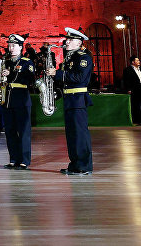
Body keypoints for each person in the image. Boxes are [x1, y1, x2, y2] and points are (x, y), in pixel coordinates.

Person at [48, 27, 94, 175]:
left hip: (78, 100)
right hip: (70, 100)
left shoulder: (83, 57)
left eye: (70, 40)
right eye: (67, 39)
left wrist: (58, 73)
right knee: (72, 135)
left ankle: (84, 166)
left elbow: (79, 78)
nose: (66, 42)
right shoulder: (70, 57)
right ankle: (75, 164)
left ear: (79, 42)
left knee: (80, 135)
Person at [0, 34, 35, 170]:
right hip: (8, 100)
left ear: (20, 47)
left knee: (23, 132)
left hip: (21, 101)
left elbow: (29, 79)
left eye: (14, 45)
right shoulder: (7, 62)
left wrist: (12, 74)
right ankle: (13, 158)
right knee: (10, 131)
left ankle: (24, 160)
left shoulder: (27, 62)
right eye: (9, 45)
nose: (11, 48)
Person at [121, 56, 141, 124]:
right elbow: (126, 80)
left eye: (139, 60)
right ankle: (137, 120)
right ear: (133, 62)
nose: (139, 62)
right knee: (136, 105)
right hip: (135, 89)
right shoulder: (127, 70)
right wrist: (128, 89)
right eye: (137, 60)